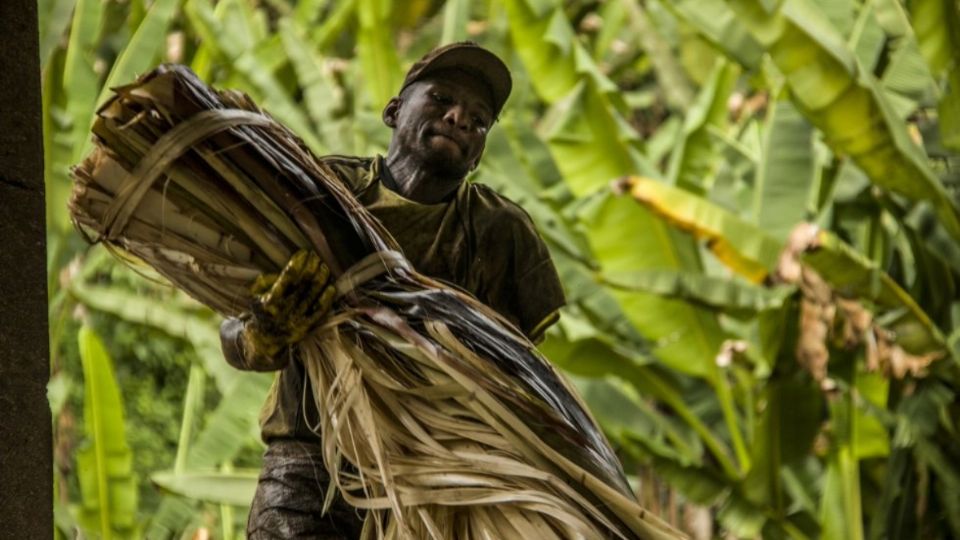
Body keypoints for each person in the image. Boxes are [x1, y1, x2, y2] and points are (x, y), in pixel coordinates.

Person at [219, 41, 566, 539]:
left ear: (481, 151)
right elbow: (232, 329)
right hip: (309, 470)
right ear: (394, 110)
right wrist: (259, 335)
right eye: (442, 98)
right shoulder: (321, 190)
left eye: (479, 119)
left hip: (436, 486)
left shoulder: (501, 234)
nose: (459, 118)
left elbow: (522, 377)